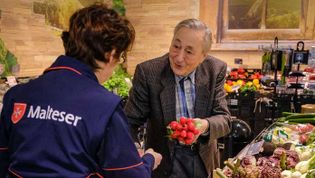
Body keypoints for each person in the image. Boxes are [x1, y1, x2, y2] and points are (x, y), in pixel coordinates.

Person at [0, 4, 162, 178]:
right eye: (121, 57)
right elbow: (130, 175)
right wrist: (149, 159)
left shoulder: (16, 95)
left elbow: (3, 159)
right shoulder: (106, 108)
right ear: (111, 54)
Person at [125, 18, 231, 178]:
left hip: (202, 159)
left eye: (189, 52)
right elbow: (128, 122)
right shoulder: (148, 72)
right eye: (176, 46)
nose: (179, 57)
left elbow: (224, 119)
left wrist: (204, 125)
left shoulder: (215, 70)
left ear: (203, 56)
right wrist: (136, 149)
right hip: (164, 160)